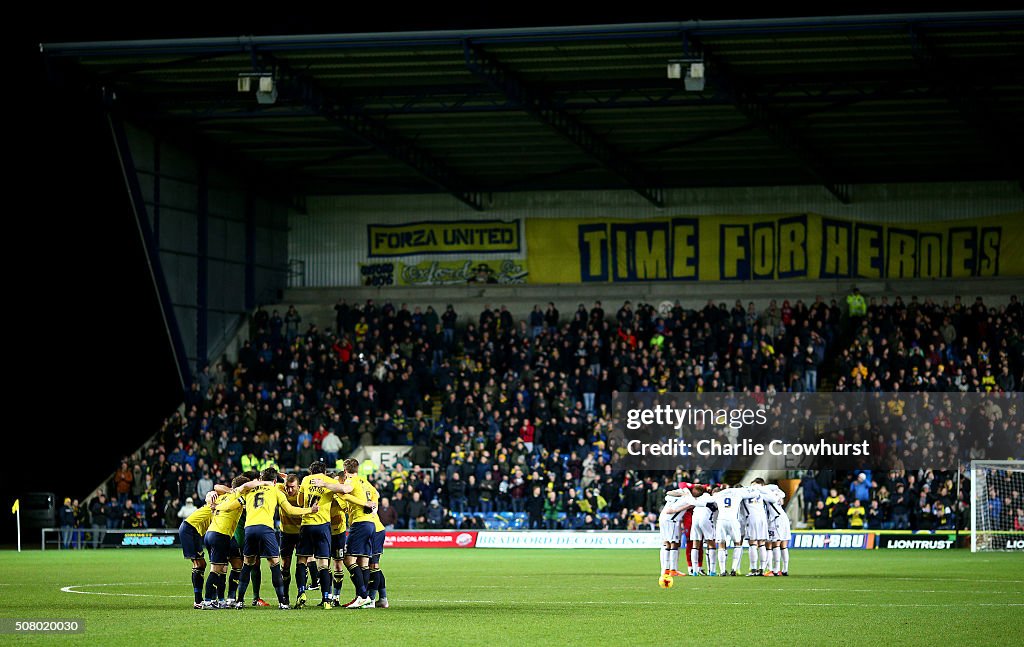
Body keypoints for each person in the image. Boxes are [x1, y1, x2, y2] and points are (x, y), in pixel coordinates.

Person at [231, 467, 317, 610]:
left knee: (247, 564)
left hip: (249, 529)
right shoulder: (276, 491)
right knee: (275, 564)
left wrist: (219, 507)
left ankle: (239, 601)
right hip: (265, 529)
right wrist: (310, 510)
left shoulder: (250, 490)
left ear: (260, 478)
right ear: (275, 481)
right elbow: (290, 510)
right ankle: (282, 602)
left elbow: (234, 502)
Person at [295, 460, 339, 609]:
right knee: (323, 564)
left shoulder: (306, 480)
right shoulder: (329, 481)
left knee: (302, 560)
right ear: (324, 471)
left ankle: (301, 593)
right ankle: (326, 599)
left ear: (311, 471)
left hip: (306, 524)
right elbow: (343, 491)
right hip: (322, 525)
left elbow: (300, 502)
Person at [201, 476, 249, 608]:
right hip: (220, 534)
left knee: (232, 565)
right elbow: (229, 506)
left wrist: (211, 499)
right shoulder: (239, 497)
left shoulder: (223, 496)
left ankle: (223, 600)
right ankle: (208, 601)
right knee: (216, 570)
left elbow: (215, 488)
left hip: (212, 533)